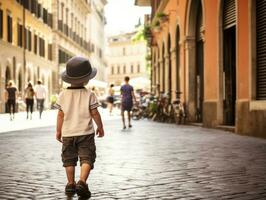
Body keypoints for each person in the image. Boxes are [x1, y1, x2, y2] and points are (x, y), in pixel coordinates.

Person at [54, 56, 104, 198]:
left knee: (69, 159)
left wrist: (58, 131)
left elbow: (60, 115)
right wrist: (100, 127)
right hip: (86, 133)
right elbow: (94, 113)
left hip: (68, 133)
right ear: (87, 79)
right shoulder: (90, 94)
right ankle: (82, 182)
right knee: (87, 158)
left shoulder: (63, 95)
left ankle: (70, 184)